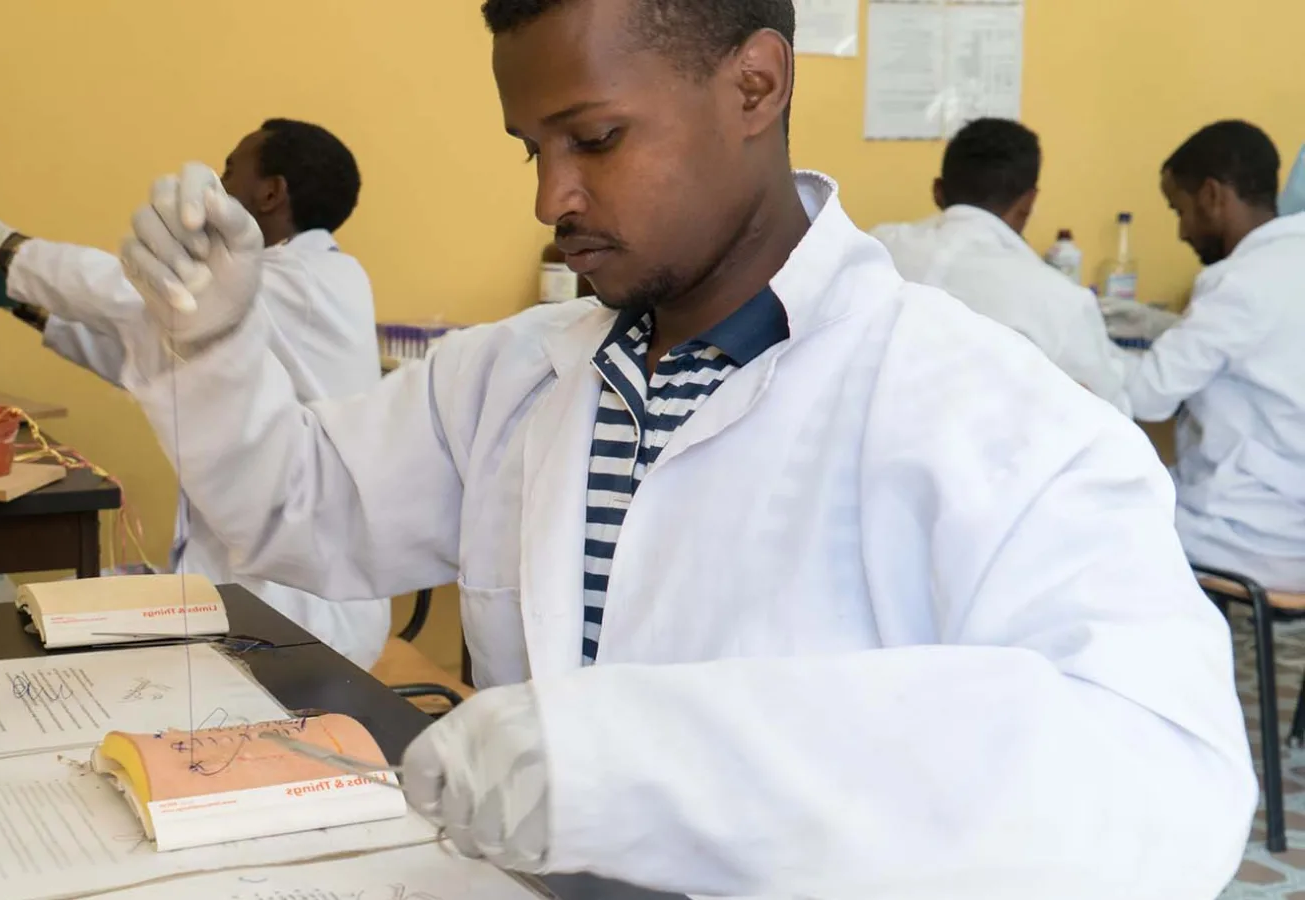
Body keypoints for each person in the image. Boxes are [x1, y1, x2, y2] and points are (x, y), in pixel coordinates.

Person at [109, 0, 1255, 895]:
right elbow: (292, 511)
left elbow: (1168, 783)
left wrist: (645, 760)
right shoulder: (516, 377)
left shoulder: (988, 414)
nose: (552, 195)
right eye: (530, 149)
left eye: (595, 138)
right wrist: (213, 347)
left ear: (755, 84)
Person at [0, 119, 392, 668]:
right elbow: (156, 357)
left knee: (18, 624)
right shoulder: (287, 290)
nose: (216, 184)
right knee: (39, 612)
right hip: (262, 594)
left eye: (229, 170)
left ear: (270, 193)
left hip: (303, 617)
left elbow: (131, 296)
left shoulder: (305, 280)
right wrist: (24, 303)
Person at [1126, 120, 1305, 592]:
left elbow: (1147, 397)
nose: (1182, 230)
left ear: (1211, 195)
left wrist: (1085, 368)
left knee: (1097, 508)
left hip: (1255, 539)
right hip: (1292, 522)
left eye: (1179, 209)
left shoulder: (1240, 281)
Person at [872, 118, 1131, 412]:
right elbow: (1111, 416)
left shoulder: (877, 247)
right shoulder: (1060, 301)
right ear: (1028, 202)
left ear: (938, 191)